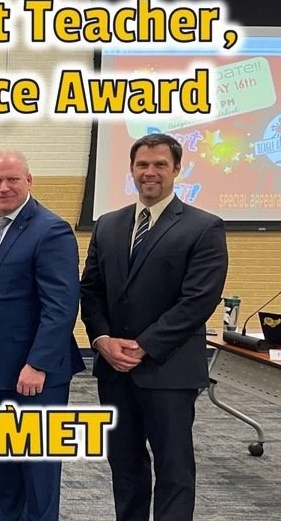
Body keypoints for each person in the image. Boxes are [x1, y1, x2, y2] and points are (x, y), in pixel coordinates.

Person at [79, 133, 228, 521]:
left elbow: (198, 301)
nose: (150, 173)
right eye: (142, 165)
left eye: (160, 165)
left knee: (174, 470)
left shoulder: (204, 227)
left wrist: (143, 345)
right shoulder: (109, 225)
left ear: (177, 169)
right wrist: (102, 340)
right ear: (131, 170)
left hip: (169, 371)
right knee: (124, 467)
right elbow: (91, 291)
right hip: (113, 369)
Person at [0, 149, 84, 521]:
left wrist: (38, 363)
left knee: (38, 463)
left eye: (12, 179)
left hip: (35, 373)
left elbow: (61, 305)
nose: (3, 187)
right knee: (4, 456)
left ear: (29, 181)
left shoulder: (51, 229)